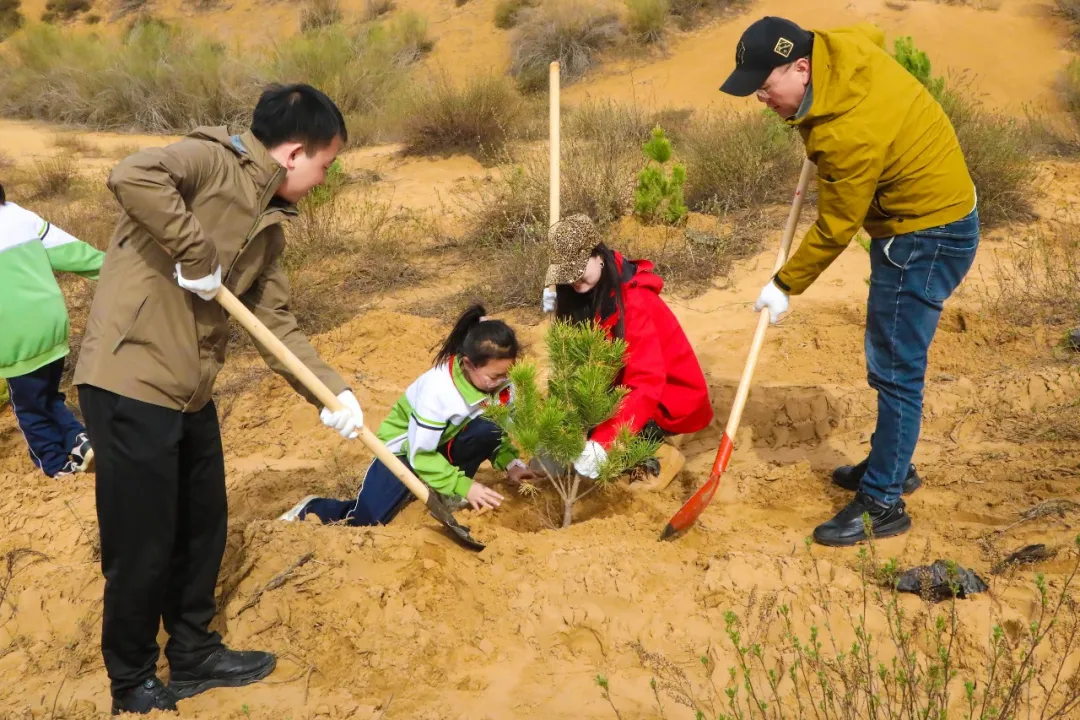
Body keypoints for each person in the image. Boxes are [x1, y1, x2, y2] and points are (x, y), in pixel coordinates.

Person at [72, 84, 366, 715]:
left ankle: (193, 651)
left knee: (202, 529)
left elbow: (276, 323)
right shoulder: (210, 160)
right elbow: (132, 174)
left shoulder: (269, 224)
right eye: (325, 164)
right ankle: (132, 680)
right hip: (130, 379)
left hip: (190, 391)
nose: (323, 179)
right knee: (142, 542)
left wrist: (332, 391)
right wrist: (195, 249)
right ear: (294, 153)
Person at [719, 17, 979, 546]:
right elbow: (869, 33)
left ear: (802, 67)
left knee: (895, 370)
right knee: (893, 361)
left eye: (765, 87)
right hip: (934, 217)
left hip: (924, 238)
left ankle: (883, 502)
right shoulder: (843, 52)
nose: (762, 100)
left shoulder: (847, 133)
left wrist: (784, 284)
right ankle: (892, 463)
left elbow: (837, 226)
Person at [282, 305, 534, 525]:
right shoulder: (438, 390)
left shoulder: (502, 384)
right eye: (495, 376)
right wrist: (466, 486)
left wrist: (511, 464)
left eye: (507, 373)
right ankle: (312, 507)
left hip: (444, 443)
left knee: (486, 426)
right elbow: (420, 453)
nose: (503, 380)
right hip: (403, 451)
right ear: (468, 364)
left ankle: (446, 492)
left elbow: (496, 432)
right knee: (369, 519)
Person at [543, 214, 714, 491]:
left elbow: (645, 383)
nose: (572, 280)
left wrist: (602, 443)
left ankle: (659, 453)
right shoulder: (584, 292)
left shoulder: (634, 302)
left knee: (617, 461)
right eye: (566, 274)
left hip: (666, 401)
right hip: (619, 389)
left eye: (577, 269)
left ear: (598, 255)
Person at [1, 182, 103, 478]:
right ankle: (79, 440)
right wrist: (121, 269)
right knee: (45, 394)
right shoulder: (20, 215)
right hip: (51, 323)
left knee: (28, 408)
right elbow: (75, 254)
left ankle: (56, 466)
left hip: (14, 335)